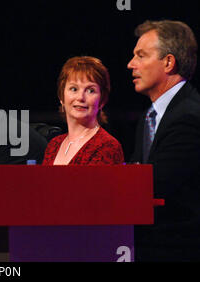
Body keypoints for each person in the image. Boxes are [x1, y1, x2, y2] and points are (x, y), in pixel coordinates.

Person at [127, 20, 200, 261]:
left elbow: (157, 184)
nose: (131, 64)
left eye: (141, 55)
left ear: (168, 62)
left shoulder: (189, 116)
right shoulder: (149, 116)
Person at [42, 56, 124, 165]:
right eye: (74, 89)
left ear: (102, 100)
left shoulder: (107, 146)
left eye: (90, 90)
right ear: (61, 96)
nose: (80, 97)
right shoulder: (53, 145)